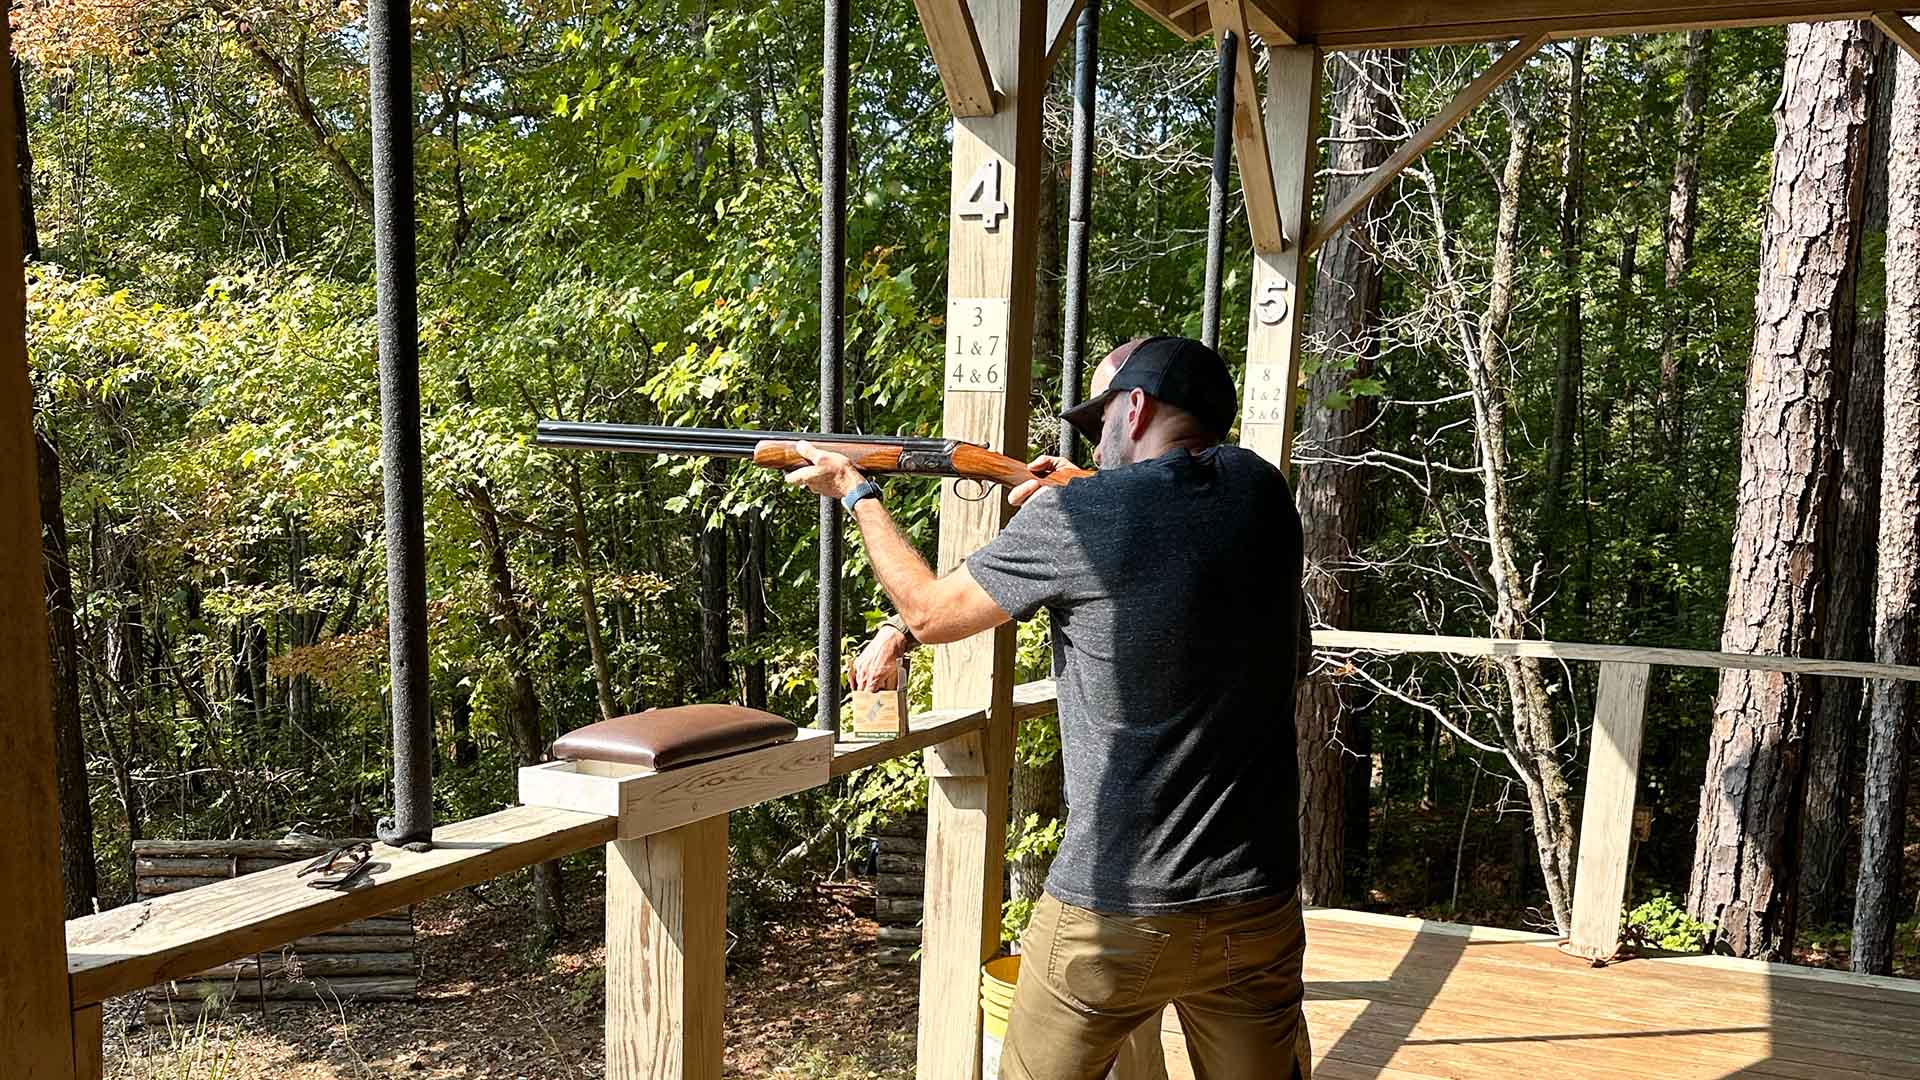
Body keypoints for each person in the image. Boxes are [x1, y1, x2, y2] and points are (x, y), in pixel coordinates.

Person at [785, 335, 1312, 1080]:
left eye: (1100, 421)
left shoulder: (1083, 515)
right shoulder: (1261, 494)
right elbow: (1276, 632)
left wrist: (857, 492)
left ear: (1136, 407)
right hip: (1256, 903)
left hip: (1111, 911)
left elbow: (930, 615)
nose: (1093, 438)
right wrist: (1089, 486)